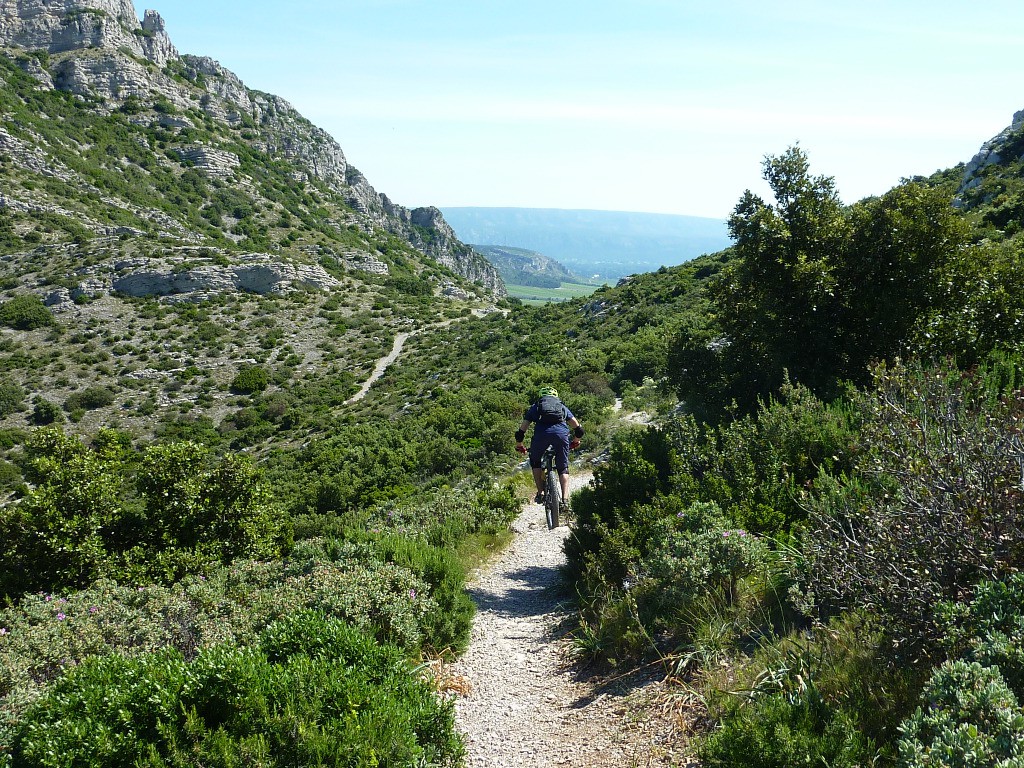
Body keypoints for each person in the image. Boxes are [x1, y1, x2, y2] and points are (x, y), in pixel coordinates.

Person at [515, 386, 584, 512]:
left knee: (535, 461)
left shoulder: (536, 406)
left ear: (541, 397)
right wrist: (576, 441)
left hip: (541, 436)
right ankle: (565, 500)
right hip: (561, 435)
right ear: (555, 397)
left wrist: (519, 444)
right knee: (563, 468)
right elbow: (578, 428)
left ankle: (541, 493)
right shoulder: (561, 406)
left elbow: (521, 430)